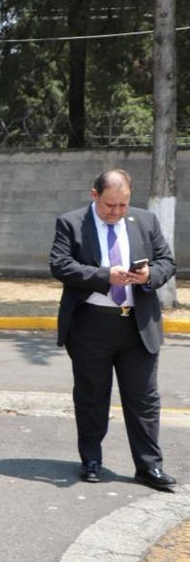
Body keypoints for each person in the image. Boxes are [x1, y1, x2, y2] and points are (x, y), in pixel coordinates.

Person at [49, 169, 177, 492]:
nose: (117, 212)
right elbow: (60, 265)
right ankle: (91, 459)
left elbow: (167, 261)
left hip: (138, 324)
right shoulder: (72, 222)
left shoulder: (145, 221)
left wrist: (148, 275)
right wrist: (105, 275)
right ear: (95, 196)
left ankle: (149, 466)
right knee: (92, 396)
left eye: (123, 204)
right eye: (110, 205)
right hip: (91, 325)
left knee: (144, 399)